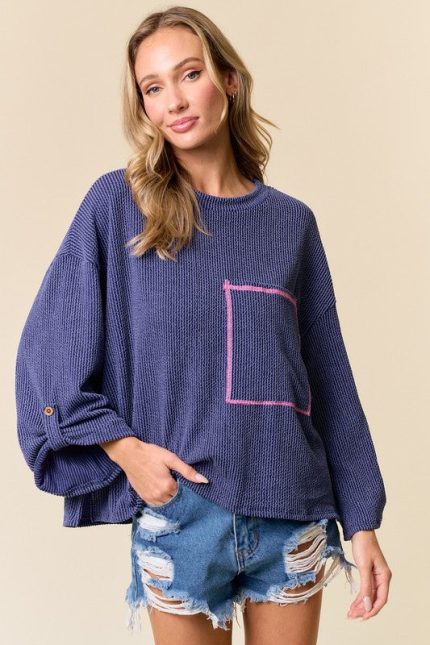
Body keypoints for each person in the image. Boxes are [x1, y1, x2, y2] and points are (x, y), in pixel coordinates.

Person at [15, 5, 392, 645]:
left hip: (292, 513)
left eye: (189, 74)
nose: (174, 101)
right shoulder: (119, 205)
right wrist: (125, 451)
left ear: (230, 80)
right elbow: (50, 352)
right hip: (182, 515)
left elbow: (328, 379)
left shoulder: (291, 224)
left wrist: (363, 522)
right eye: (153, 87)